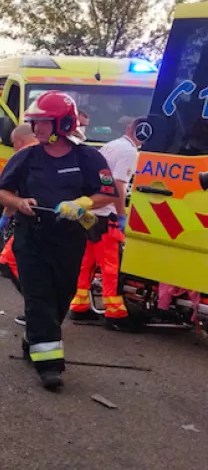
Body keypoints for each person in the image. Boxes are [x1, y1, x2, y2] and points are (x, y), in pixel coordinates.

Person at [0, 91, 119, 391]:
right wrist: (19, 202)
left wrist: (84, 203)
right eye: (34, 123)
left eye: (43, 123)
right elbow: (1, 191)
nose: (37, 129)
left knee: (60, 296)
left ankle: (34, 338)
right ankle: (50, 365)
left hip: (69, 239)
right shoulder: (25, 157)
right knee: (38, 296)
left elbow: (108, 192)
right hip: (32, 237)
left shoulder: (88, 157)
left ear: (62, 123)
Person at [69, 116, 144, 329]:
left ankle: (79, 305)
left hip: (91, 213)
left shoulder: (111, 146)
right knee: (111, 266)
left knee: (86, 262)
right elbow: (119, 187)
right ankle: (115, 314)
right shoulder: (129, 152)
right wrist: (121, 215)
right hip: (105, 215)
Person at [0, 123, 39, 325]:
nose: (13, 147)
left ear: (19, 141)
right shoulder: (49, 155)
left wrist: (5, 218)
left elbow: (10, 193)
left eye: (14, 143)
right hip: (55, 224)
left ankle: (37, 309)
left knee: (7, 263)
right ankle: (40, 308)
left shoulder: (22, 156)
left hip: (30, 224)